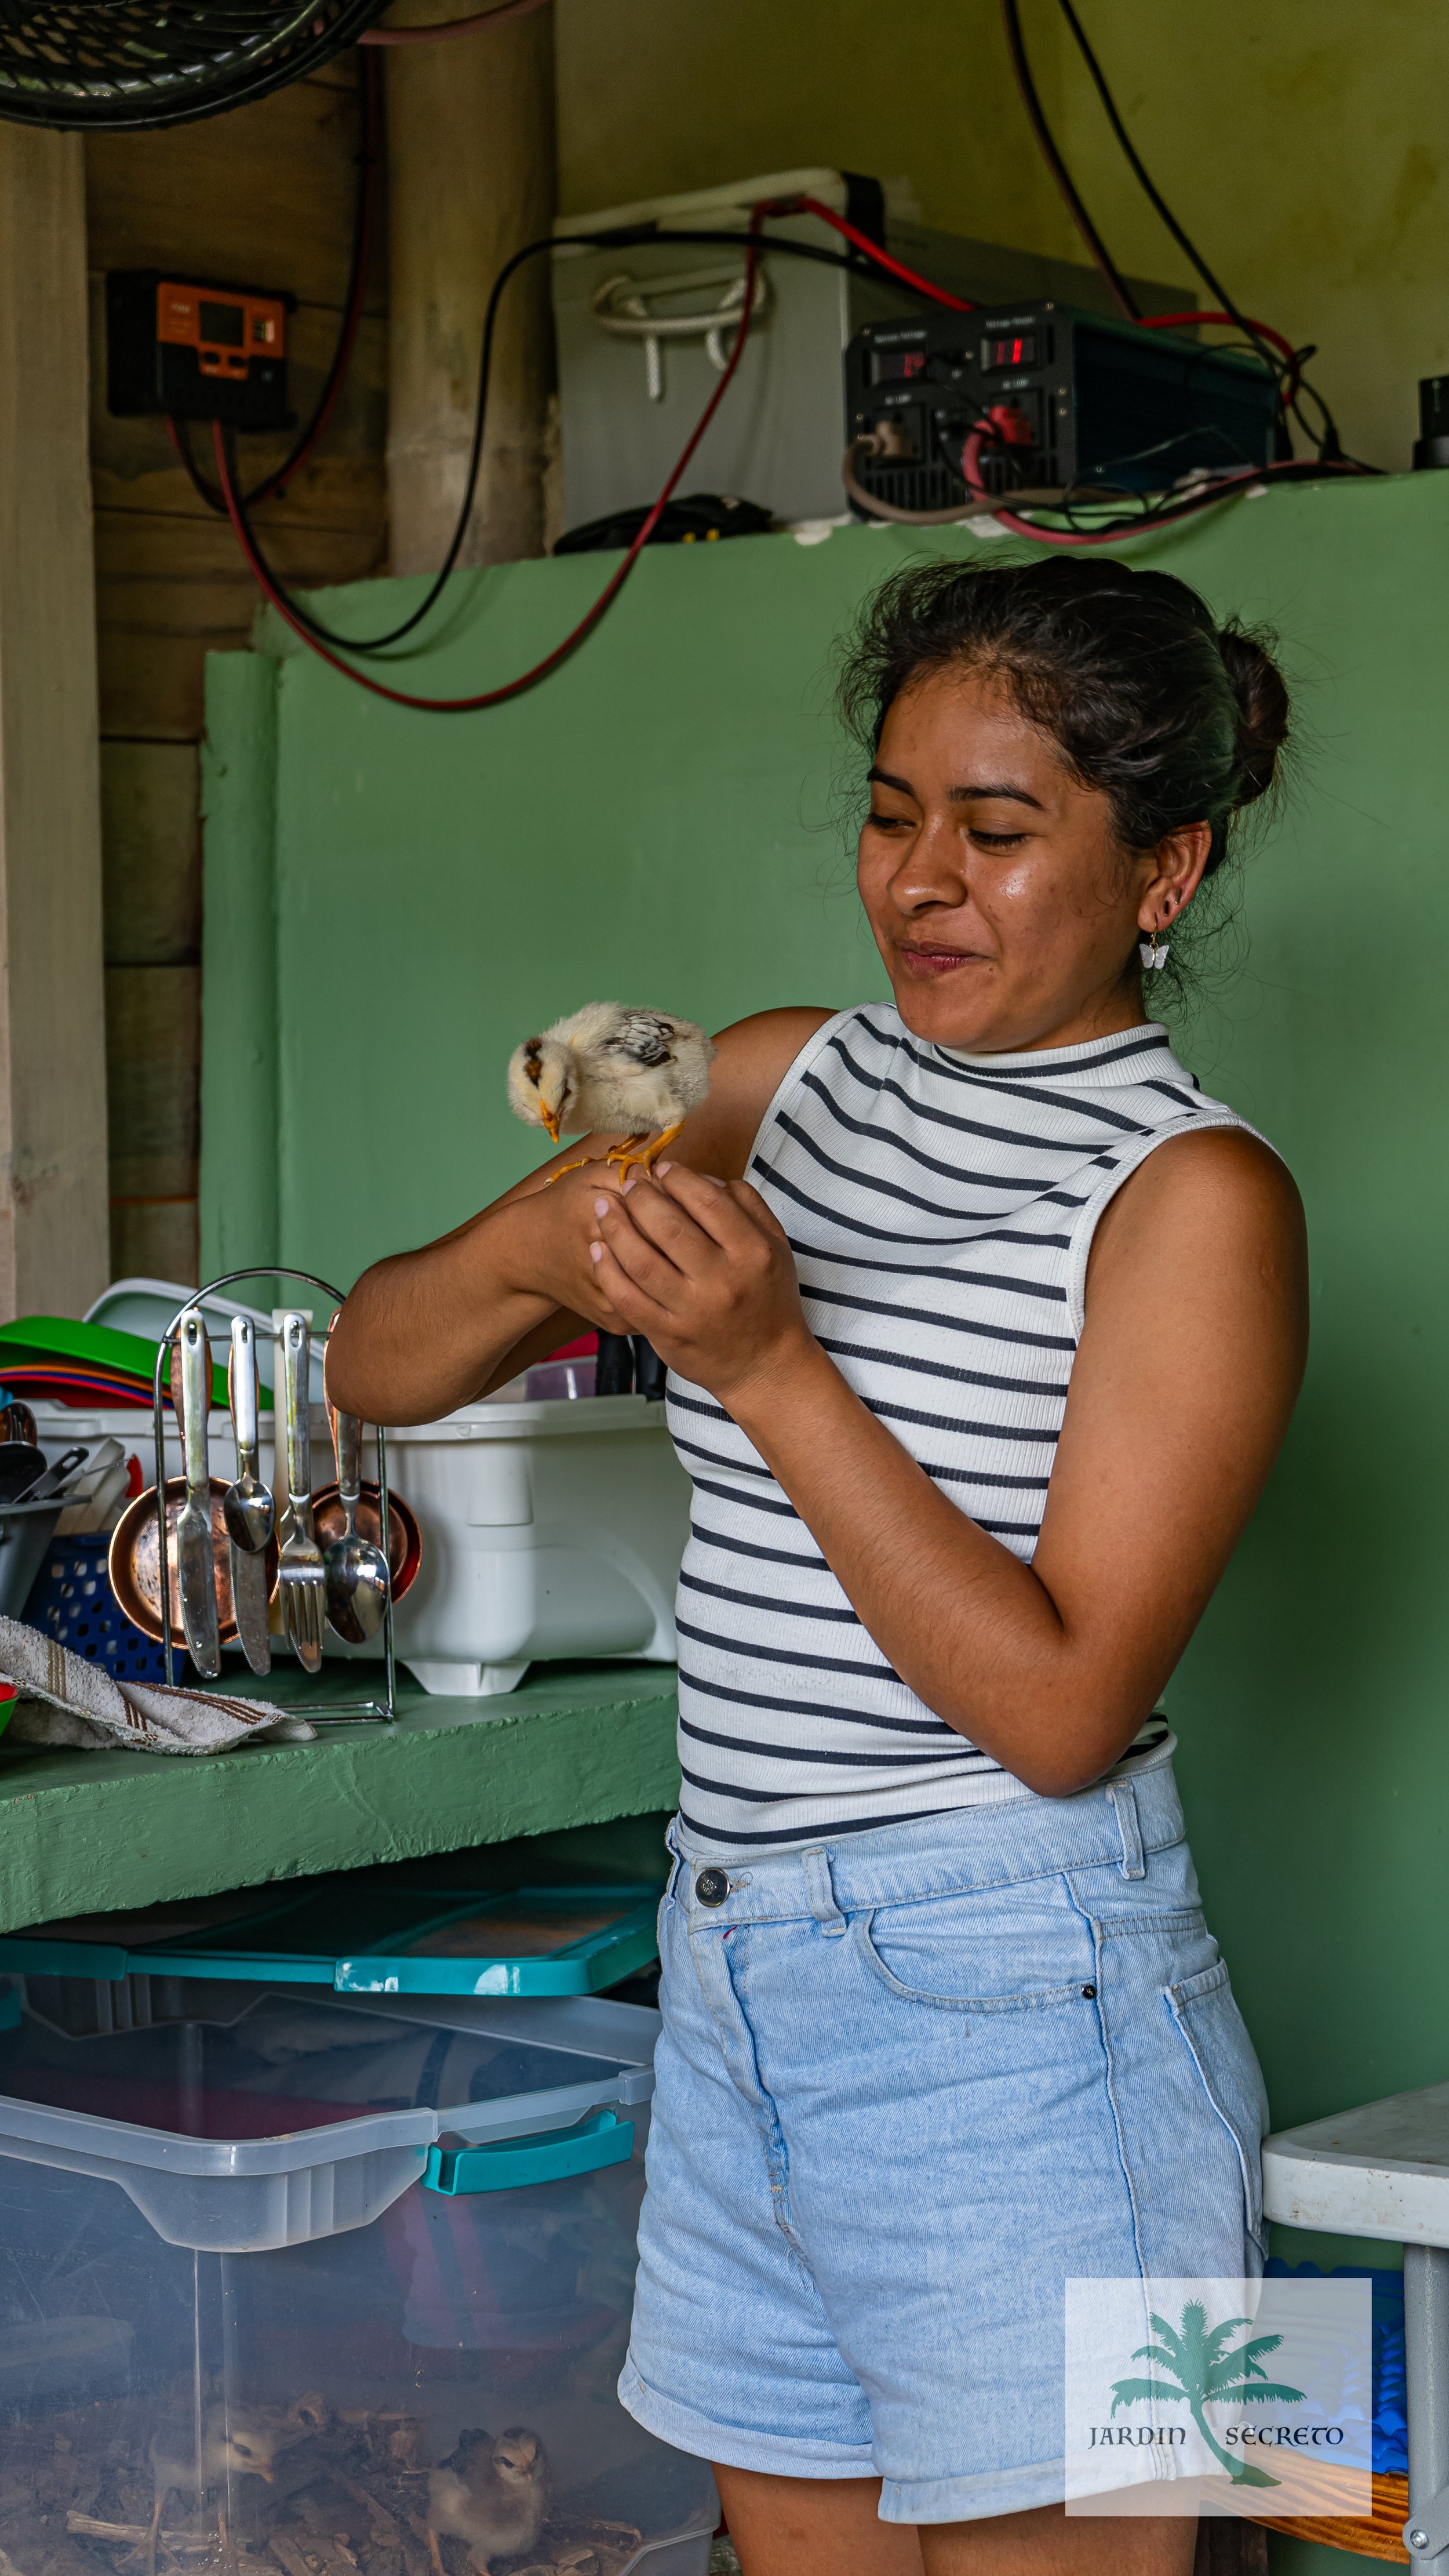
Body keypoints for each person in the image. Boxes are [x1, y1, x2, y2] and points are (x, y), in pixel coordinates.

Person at [329, 555, 1307, 2575]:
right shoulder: (768, 1072)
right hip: (740, 1964)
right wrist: (550, 1229)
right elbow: (375, 1358)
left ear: (1164, 867)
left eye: (999, 828)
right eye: (888, 811)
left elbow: (1057, 1711)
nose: (918, 880)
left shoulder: (1199, 1197)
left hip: (1044, 2008)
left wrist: (771, 1364)